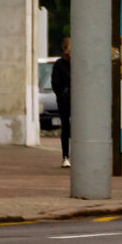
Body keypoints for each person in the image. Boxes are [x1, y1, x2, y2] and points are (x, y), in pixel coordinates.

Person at [50, 38, 72, 168]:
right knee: (65, 128)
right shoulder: (59, 64)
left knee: (79, 129)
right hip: (64, 101)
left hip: (77, 100)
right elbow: (55, 84)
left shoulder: (78, 64)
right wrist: (62, 94)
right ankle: (65, 156)